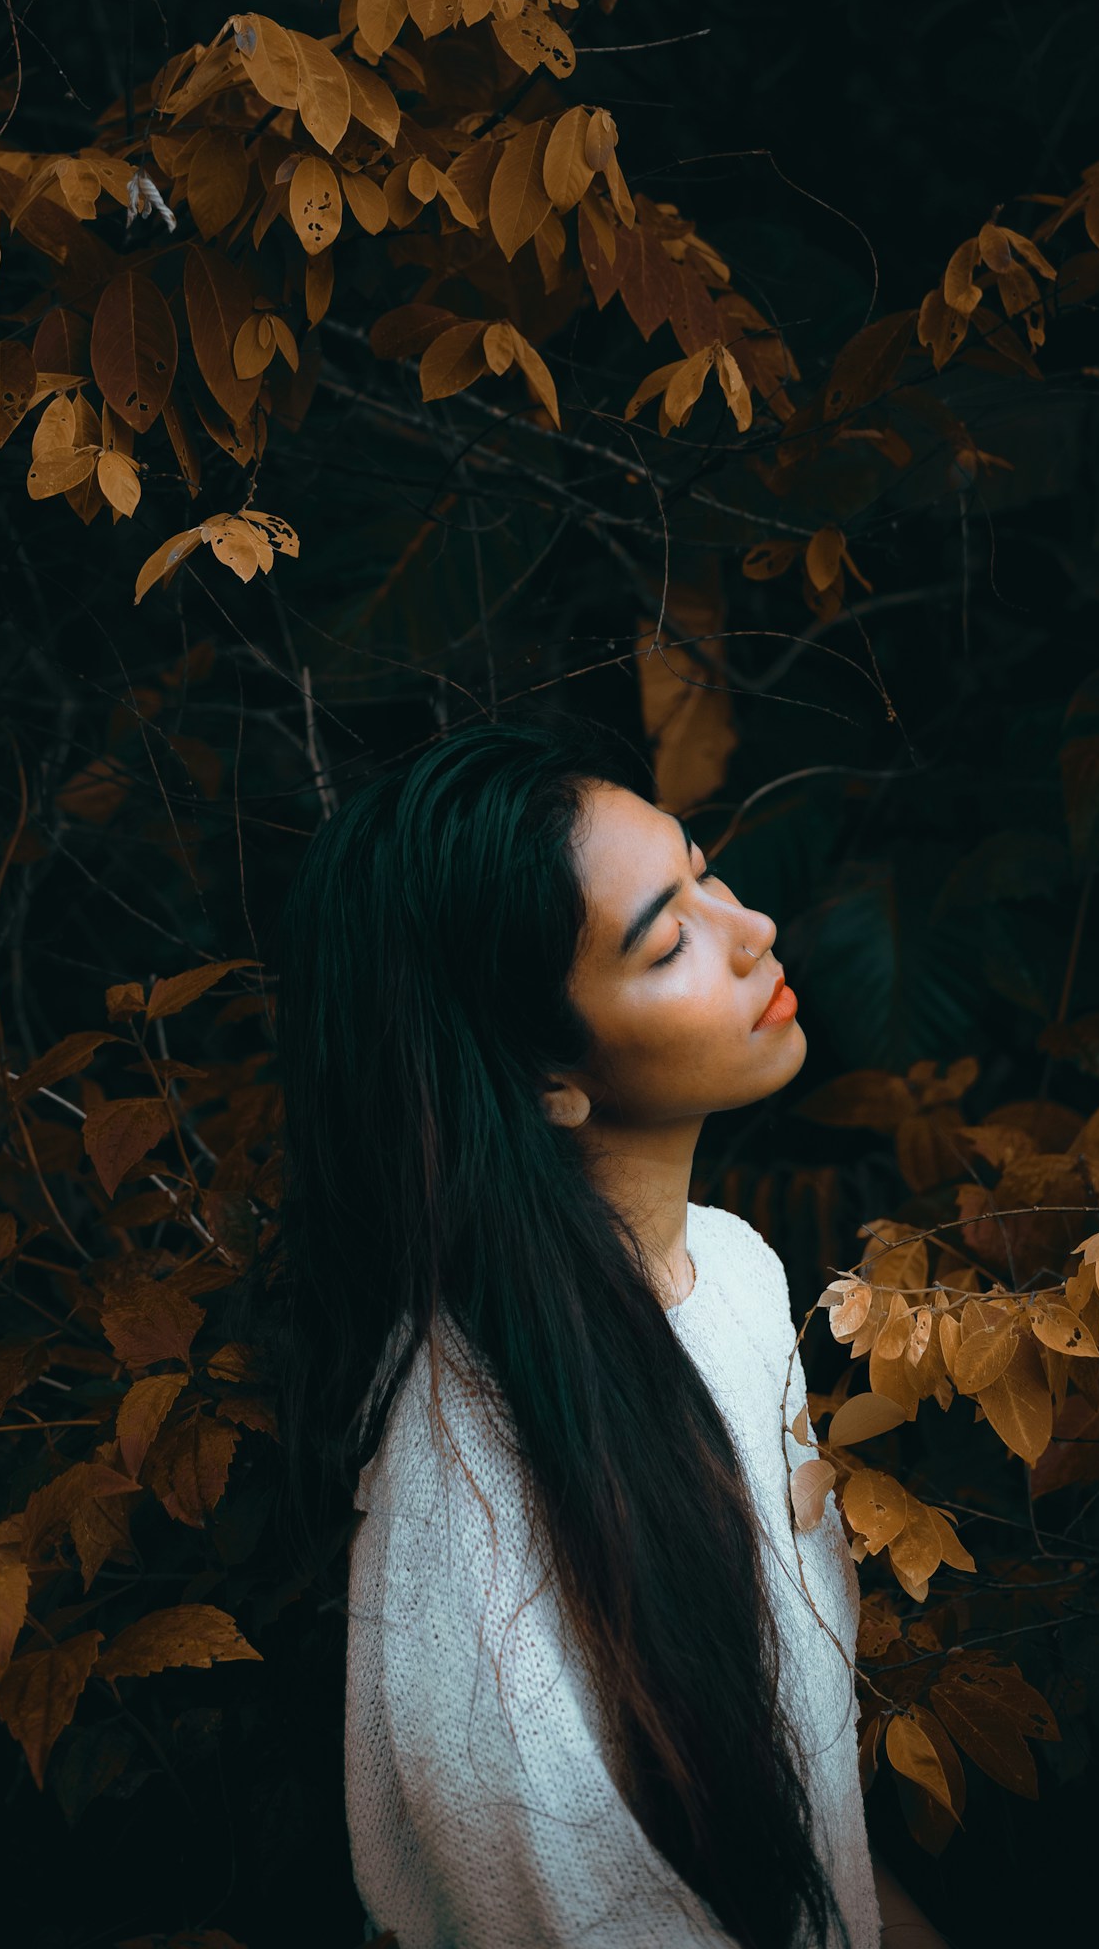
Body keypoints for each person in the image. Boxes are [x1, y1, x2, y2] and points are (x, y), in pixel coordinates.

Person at [275, 721, 946, 1949]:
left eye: (706, 870)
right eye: (670, 938)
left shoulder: (733, 1271)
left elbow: (808, 1803)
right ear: (543, 1079)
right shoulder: (470, 1511)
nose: (753, 931)